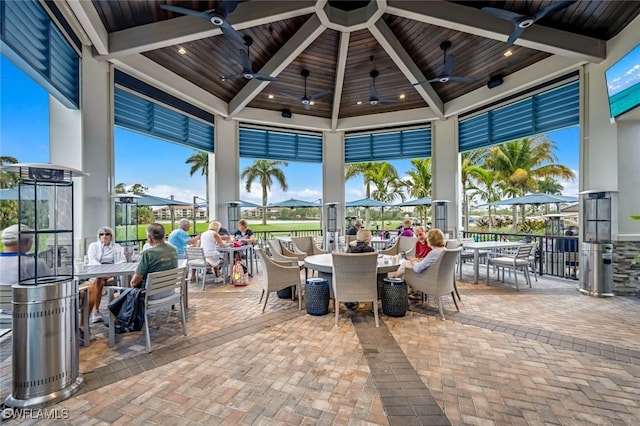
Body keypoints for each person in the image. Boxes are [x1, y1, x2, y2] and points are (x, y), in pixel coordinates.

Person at [86, 226, 126, 323]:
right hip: (98, 271)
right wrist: (103, 272)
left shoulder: (117, 247)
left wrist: (111, 270)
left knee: (98, 280)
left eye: (107, 234)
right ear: (99, 236)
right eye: (102, 234)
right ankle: (95, 311)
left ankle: (121, 310)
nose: (104, 236)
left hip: (113, 272)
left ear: (111, 236)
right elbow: (92, 261)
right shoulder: (93, 246)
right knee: (99, 280)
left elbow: (122, 260)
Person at [130, 223, 178, 295]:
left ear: (149, 237)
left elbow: (135, 282)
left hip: (150, 295)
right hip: (169, 292)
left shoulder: (148, 254)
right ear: (164, 235)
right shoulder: (173, 249)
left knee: (118, 297)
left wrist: (131, 283)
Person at [344, 228, 376, 310]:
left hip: (349, 282)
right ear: (368, 239)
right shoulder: (370, 250)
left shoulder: (350, 249)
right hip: (367, 281)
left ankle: (349, 300)